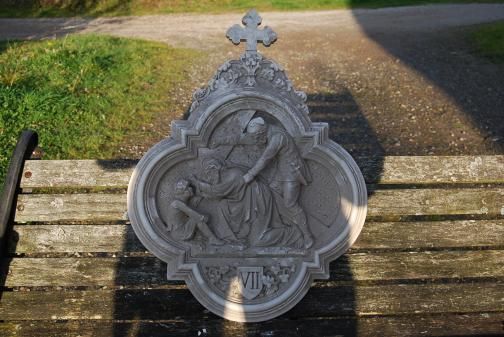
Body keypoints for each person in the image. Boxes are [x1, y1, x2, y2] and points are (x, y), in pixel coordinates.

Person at [240, 117, 314, 248]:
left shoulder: (278, 137)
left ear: (263, 131)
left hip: (292, 172)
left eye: (258, 136)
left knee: (289, 204)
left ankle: (307, 235)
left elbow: (266, 158)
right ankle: (281, 225)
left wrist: (250, 175)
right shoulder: (266, 132)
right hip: (281, 171)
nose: (257, 140)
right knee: (271, 193)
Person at [165, 179, 224, 246]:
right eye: (188, 188)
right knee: (197, 219)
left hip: (179, 230)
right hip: (180, 233)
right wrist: (203, 218)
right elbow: (193, 214)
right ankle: (212, 239)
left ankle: (207, 237)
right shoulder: (177, 204)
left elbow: (192, 206)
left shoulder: (180, 202)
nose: (191, 189)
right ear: (183, 192)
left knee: (197, 218)